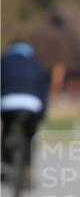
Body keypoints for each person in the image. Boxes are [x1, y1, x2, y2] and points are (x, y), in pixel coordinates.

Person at [1, 42, 49, 188]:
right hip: (31, 104)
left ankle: (5, 165)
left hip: (8, 103)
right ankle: (28, 170)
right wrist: (42, 114)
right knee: (30, 136)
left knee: (7, 131)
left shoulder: (4, 62)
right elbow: (43, 92)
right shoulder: (37, 64)